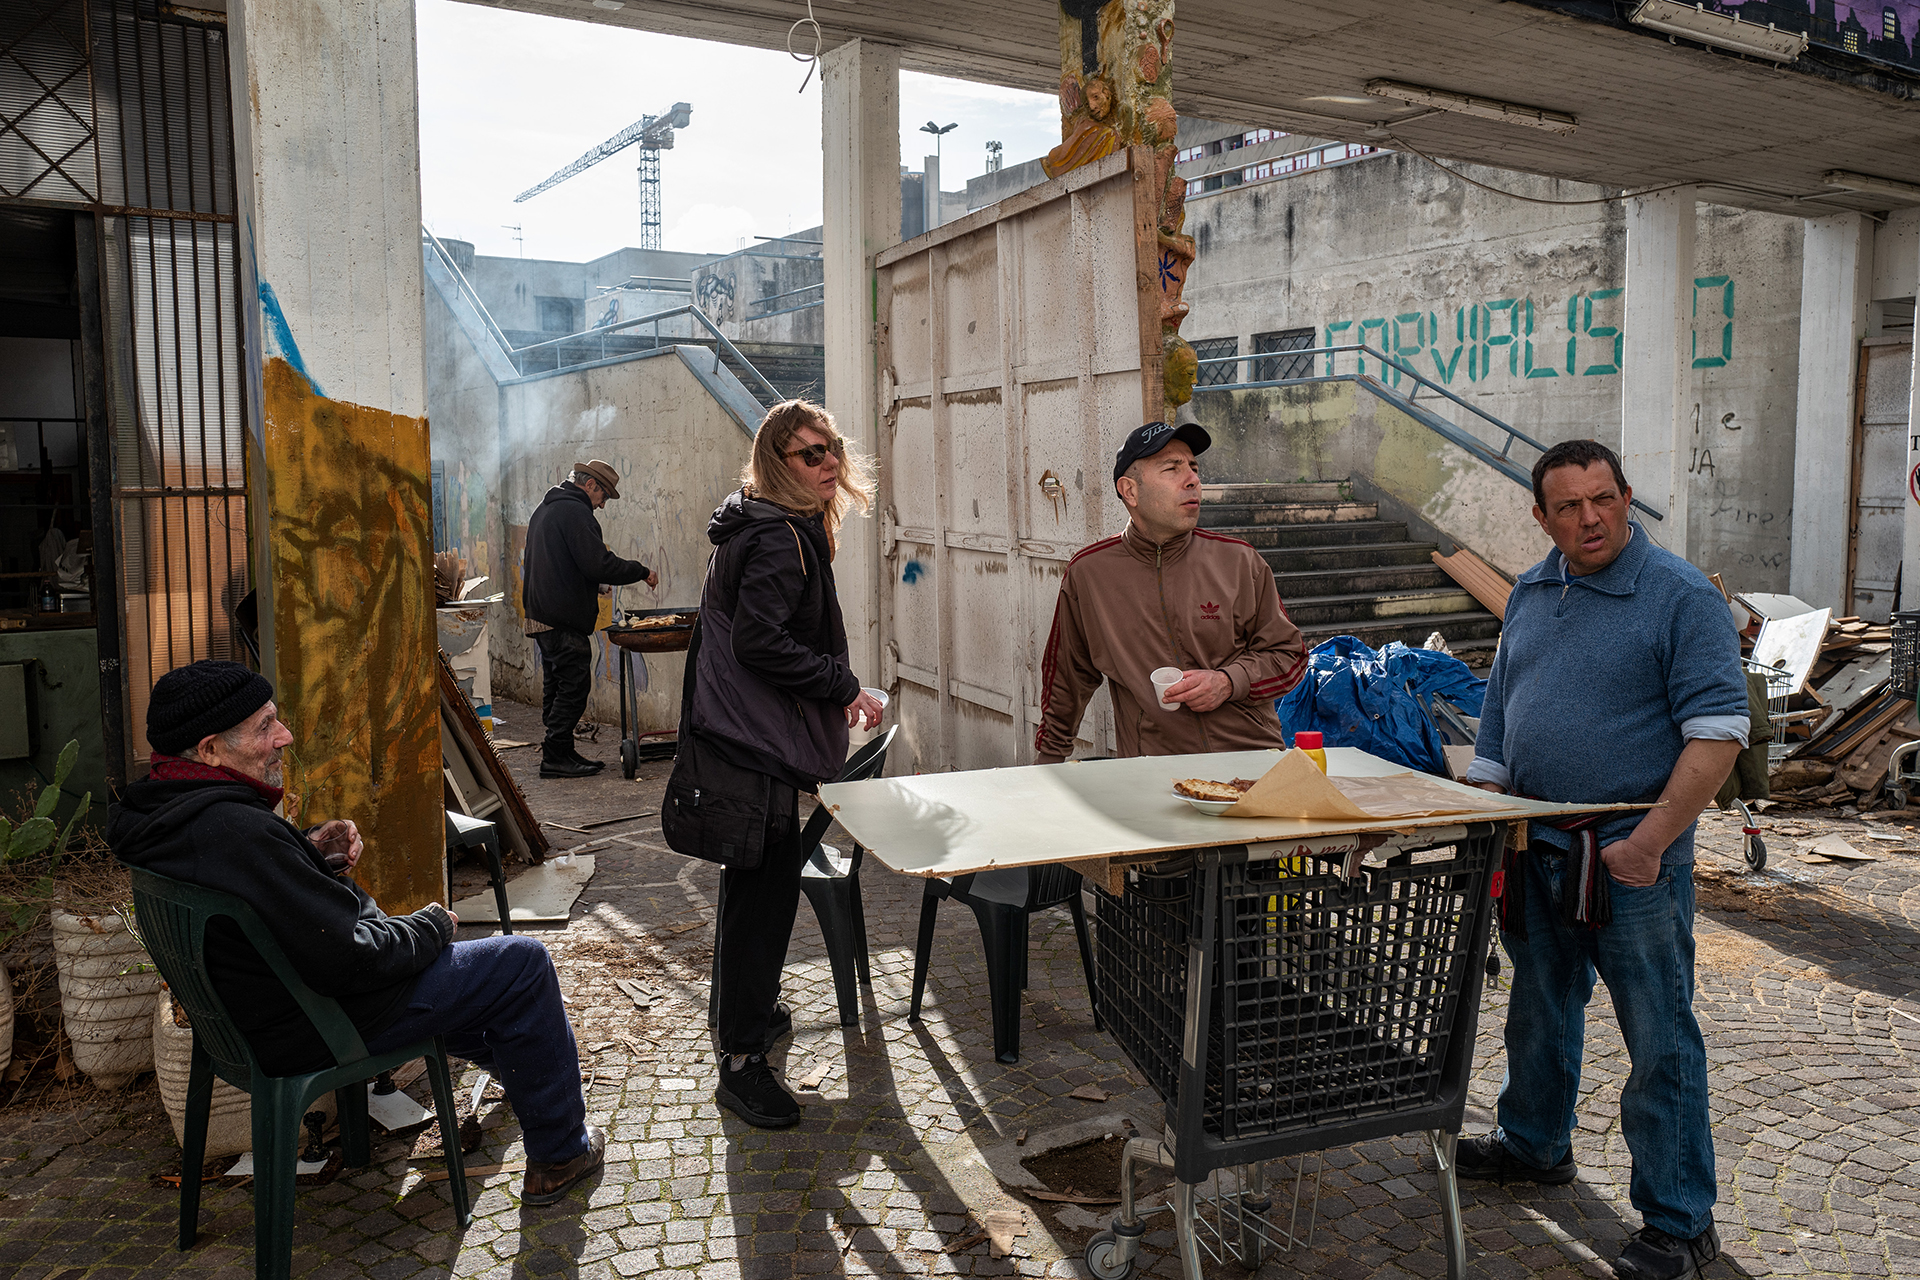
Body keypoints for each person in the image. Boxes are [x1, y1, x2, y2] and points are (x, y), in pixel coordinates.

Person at [109, 660, 605, 1206]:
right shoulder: (235, 831)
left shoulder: (166, 814)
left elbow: (259, 886)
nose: (284, 737)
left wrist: (307, 852)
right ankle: (561, 1153)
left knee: (482, 982)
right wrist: (429, 927)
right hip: (320, 1021)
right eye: (264, 727)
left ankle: (530, 1077)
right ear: (208, 750)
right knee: (521, 964)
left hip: (253, 1020)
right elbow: (351, 959)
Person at [1462, 439, 1746, 1280]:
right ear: (1541, 516)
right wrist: (1488, 809)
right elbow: (1501, 713)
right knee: (1539, 1010)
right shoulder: (1533, 589)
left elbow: (1718, 733)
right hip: (1539, 843)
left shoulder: (1680, 597)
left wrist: (1648, 845)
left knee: (1660, 1038)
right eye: (1569, 506)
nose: (1590, 518)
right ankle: (1535, 1144)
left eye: (1604, 498)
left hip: (1630, 860)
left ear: (1627, 495)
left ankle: (1681, 1223)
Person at [670, 400, 883, 1130]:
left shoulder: (763, 524)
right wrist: (843, 687)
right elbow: (761, 643)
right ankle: (742, 1064)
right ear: (775, 464)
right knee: (764, 899)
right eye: (810, 454)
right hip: (751, 742)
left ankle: (744, 1012)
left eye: (831, 450)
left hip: (741, 733)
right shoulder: (776, 539)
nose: (828, 464)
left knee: (751, 887)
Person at [1034, 419, 1308, 763]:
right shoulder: (1089, 574)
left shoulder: (1239, 561)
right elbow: (1066, 678)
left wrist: (1227, 681)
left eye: (1194, 468)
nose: (1193, 479)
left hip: (1251, 761)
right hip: (1155, 771)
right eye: (1172, 469)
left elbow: (1290, 656)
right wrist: (1049, 760)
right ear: (1130, 491)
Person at [522, 459, 657, 778]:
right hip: (560, 616)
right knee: (574, 684)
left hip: (542, 613)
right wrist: (641, 571)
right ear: (590, 485)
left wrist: (590, 584)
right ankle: (555, 754)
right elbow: (598, 562)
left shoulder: (548, 507)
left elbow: (559, 561)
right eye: (604, 496)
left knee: (558, 683)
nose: (603, 504)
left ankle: (560, 750)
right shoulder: (575, 511)